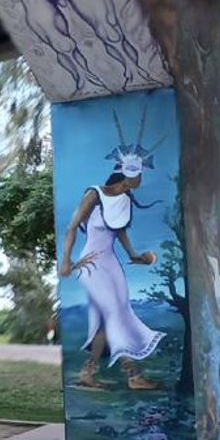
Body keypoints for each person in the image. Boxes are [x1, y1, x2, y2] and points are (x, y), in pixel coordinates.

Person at [59, 158, 161, 391]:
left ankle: (88, 372)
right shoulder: (95, 194)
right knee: (114, 313)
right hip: (91, 264)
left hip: (111, 262)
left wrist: (135, 255)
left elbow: (120, 231)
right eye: (138, 174)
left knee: (109, 318)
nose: (141, 179)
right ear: (126, 174)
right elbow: (72, 226)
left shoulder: (126, 200)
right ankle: (133, 374)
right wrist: (66, 260)